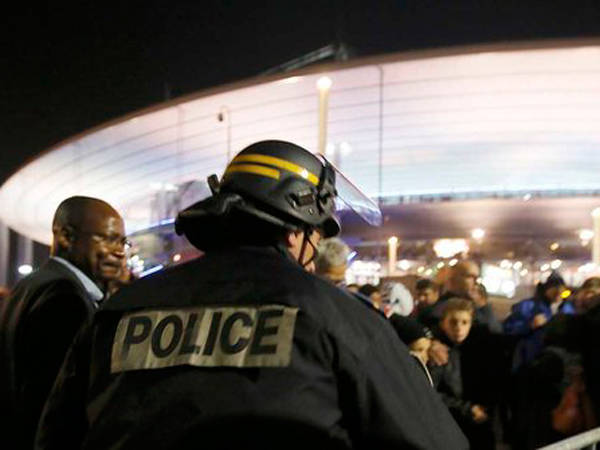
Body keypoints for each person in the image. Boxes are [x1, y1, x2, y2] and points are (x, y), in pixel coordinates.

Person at [36, 140, 467, 450]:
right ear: (298, 229)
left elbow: (56, 434)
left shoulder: (118, 311)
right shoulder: (336, 317)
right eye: (317, 234)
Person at [0, 196, 126, 450]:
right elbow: (56, 404)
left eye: (123, 241)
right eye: (109, 239)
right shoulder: (66, 297)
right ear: (67, 236)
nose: (120, 251)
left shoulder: (31, 285)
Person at [430, 298, 498, 450]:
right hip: (449, 424)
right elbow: (432, 392)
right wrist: (468, 409)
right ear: (443, 323)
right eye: (453, 322)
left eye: (464, 322)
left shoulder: (480, 349)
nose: (459, 328)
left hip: (478, 421)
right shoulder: (436, 353)